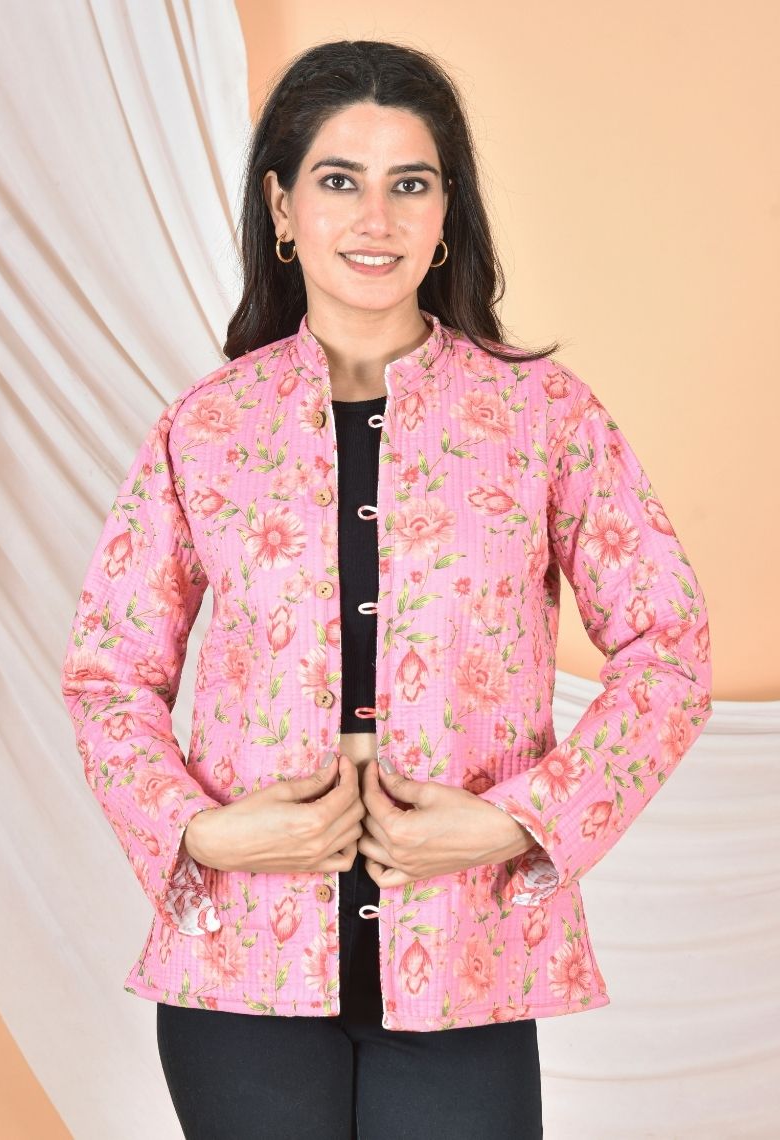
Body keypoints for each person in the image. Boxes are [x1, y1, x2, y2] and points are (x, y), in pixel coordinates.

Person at [60, 39, 713, 1140]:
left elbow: (669, 650)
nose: (375, 218)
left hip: (467, 954)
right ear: (282, 207)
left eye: (409, 183)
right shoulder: (206, 429)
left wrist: (518, 822)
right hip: (243, 965)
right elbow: (107, 676)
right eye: (338, 180)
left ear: (446, 211)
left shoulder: (543, 417)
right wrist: (200, 835)